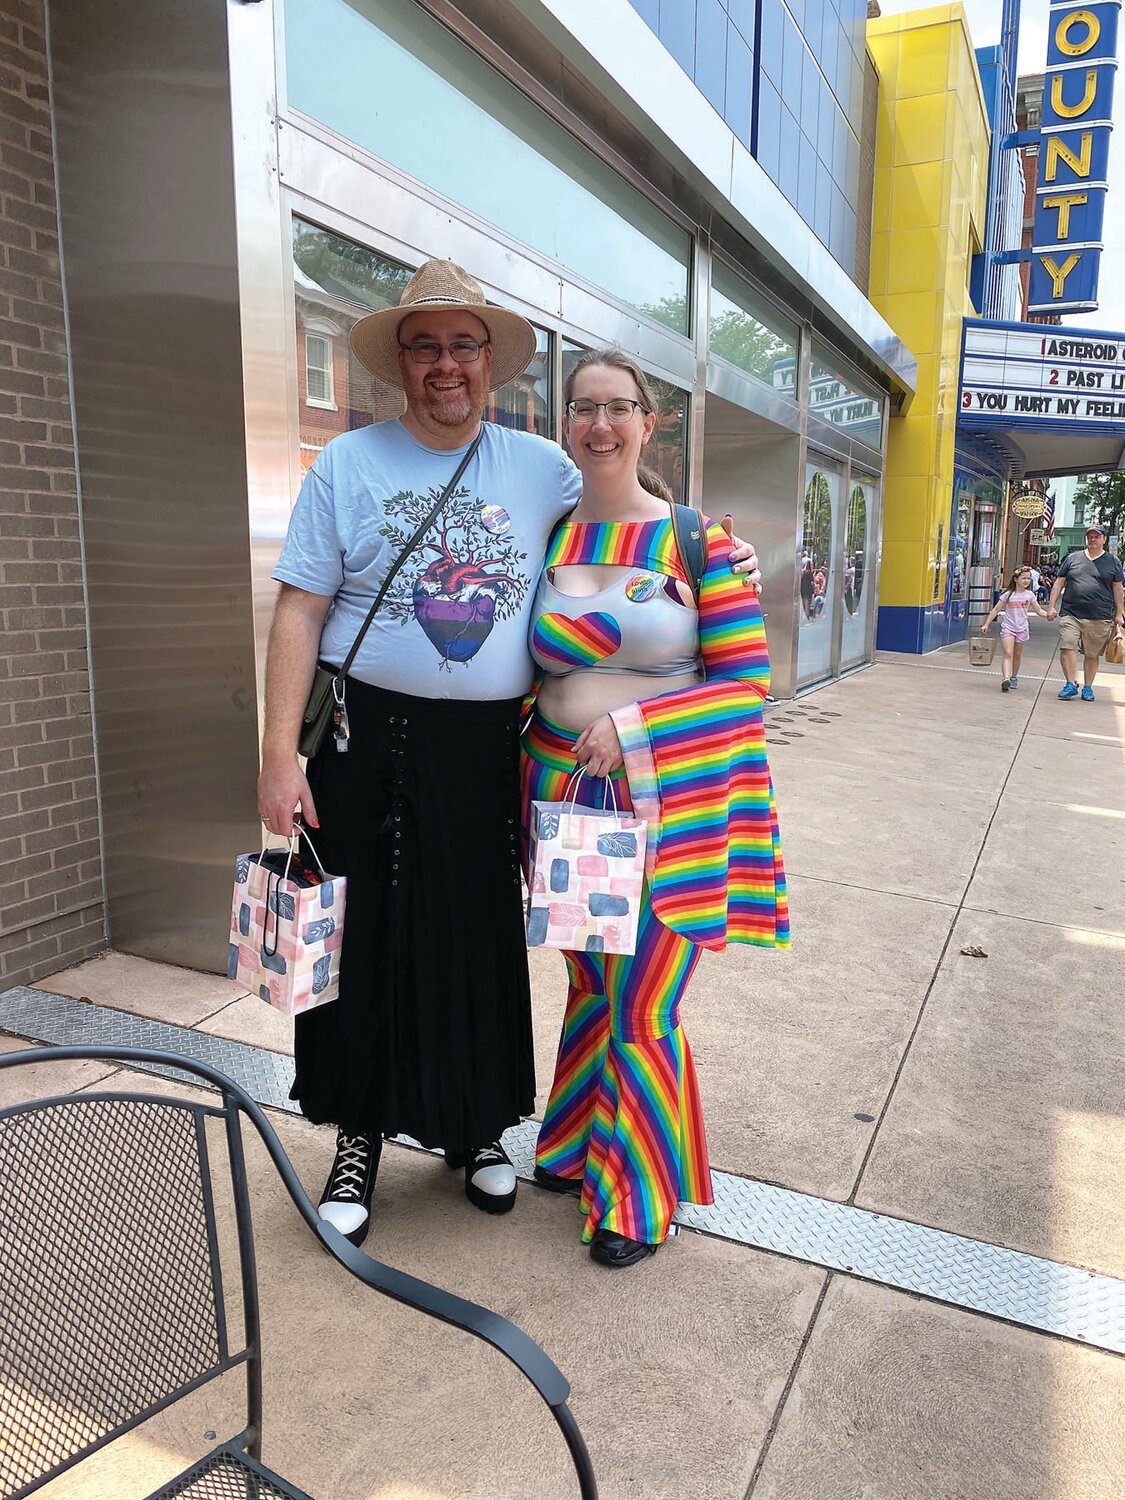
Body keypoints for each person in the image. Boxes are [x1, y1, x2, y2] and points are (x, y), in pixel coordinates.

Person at [257, 260, 760, 1248]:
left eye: (464, 344)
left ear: (490, 362)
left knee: (476, 941)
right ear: (399, 360)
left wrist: (720, 550)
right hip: (363, 740)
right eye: (425, 344)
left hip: (498, 754)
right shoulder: (347, 465)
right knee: (359, 943)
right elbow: (299, 609)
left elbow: (626, 515)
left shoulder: (543, 469)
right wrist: (279, 751)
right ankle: (358, 1135)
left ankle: (477, 1130)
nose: (446, 364)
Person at [520, 349, 789, 1269]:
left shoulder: (696, 540)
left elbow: (747, 687)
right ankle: (567, 1147)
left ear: (648, 422)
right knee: (591, 983)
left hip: (667, 804)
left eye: (617, 408)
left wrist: (636, 723)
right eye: (582, 409)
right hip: (559, 793)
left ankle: (634, 1197)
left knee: (644, 999)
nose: (599, 425)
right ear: (565, 424)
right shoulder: (545, 537)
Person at [1047, 525, 1125, 702]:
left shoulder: (1113, 562)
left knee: (1092, 654)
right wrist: (1051, 606)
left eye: (1097, 537)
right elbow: (1059, 583)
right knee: (1067, 646)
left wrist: (1119, 614)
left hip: (1100, 615)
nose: (1093, 539)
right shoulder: (1073, 559)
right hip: (1070, 612)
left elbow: (1118, 589)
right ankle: (1070, 683)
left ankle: (1088, 687)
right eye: (1090, 536)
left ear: (1104, 539)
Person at [978, 564, 1051, 691]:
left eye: (1028, 578)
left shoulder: (1030, 595)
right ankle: (1006, 678)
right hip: (1008, 628)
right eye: (1023, 578)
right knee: (1008, 653)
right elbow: (995, 610)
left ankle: (1013, 677)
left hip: (1022, 628)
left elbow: (1039, 611)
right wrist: (986, 624)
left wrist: (1049, 615)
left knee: (1017, 655)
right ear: (1016, 579)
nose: (1026, 581)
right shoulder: (1008, 595)